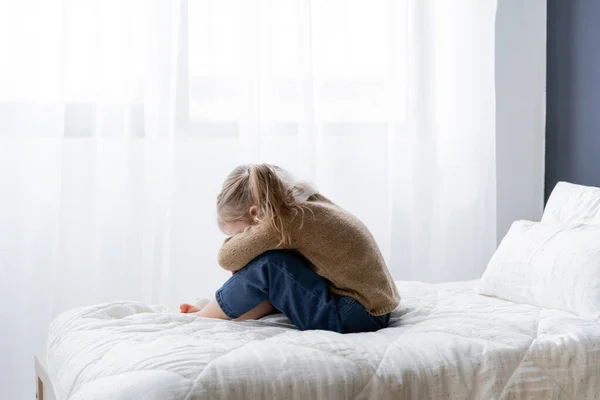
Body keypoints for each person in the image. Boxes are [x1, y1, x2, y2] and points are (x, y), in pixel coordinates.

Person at [180, 164, 399, 333]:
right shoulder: (308, 204)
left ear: (256, 213)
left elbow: (227, 257)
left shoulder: (285, 221)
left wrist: (245, 243)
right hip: (370, 309)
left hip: (355, 316)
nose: (243, 239)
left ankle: (203, 318)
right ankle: (227, 311)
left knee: (270, 264)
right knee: (281, 265)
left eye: (241, 234)